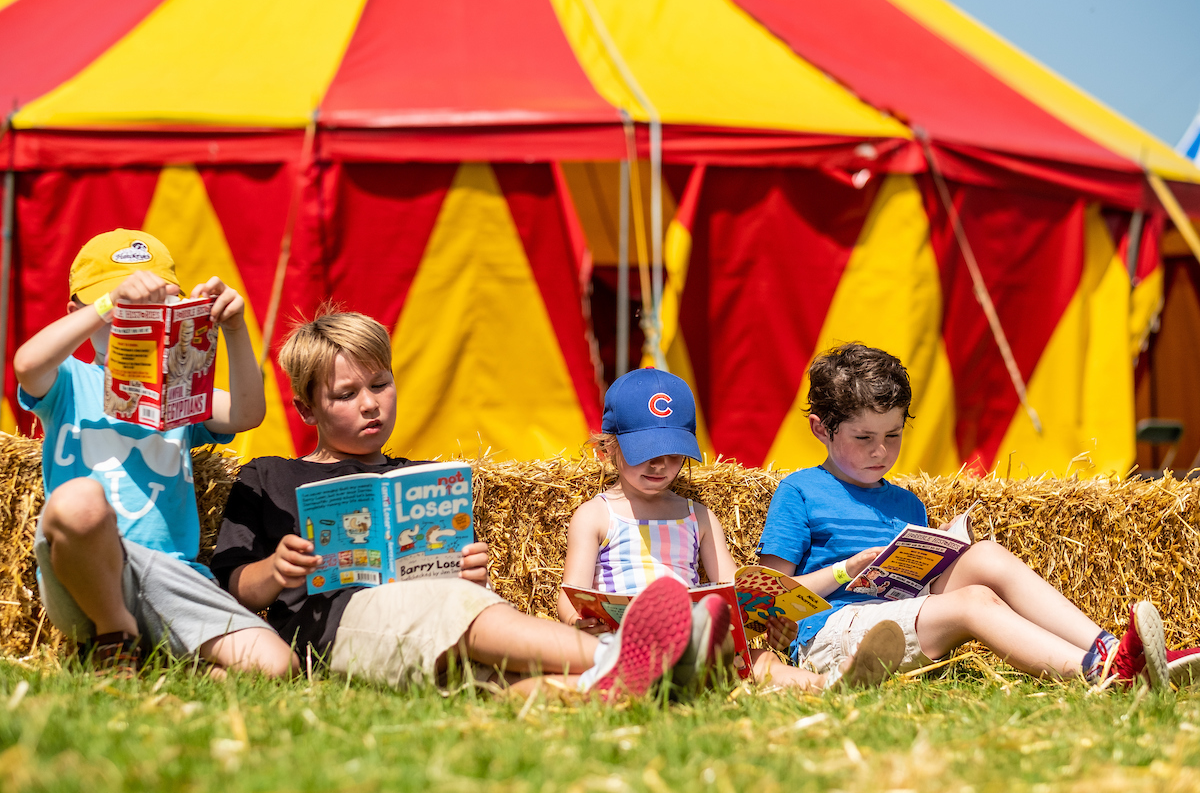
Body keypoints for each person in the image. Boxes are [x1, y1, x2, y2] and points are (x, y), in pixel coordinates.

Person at [210, 307, 708, 698]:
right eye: (346, 394)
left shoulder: (422, 478)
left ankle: (616, 686)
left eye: (381, 385)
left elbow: (460, 585)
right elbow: (233, 589)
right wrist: (278, 569)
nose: (370, 403)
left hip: (431, 629)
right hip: (336, 630)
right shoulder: (270, 475)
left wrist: (473, 570)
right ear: (305, 408)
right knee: (455, 609)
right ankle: (640, 654)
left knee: (495, 680)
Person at [757, 342, 1170, 689]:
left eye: (893, 436)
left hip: (907, 615)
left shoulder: (907, 503)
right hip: (832, 633)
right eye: (863, 438)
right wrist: (847, 570)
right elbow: (771, 597)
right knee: (974, 602)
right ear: (820, 429)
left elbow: (922, 589)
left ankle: (1112, 649)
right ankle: (1099, 674)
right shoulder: (800, 491)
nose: (880, 451)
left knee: (986, 554)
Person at [13, 228, 295, 678]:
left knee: (277, 668)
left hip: (171, 577)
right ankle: (114, 631)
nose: (132, 317)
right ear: (79, 313)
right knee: (77, 500)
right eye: (120, 307)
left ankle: (163, 667)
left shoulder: (178, 391)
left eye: (150, 307)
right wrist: (109, 304)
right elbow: (27, 364)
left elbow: (246, 413)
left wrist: (236, 329)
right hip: (86, 575)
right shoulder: (68, 380)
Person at [558, 367, 905, 691]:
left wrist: (767, 621)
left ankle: (825, 685)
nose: (660, 465)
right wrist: (578, 622)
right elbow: (571, 592)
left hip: (690, 640)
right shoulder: (595, 515)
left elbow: (733, 592)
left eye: (674, 454)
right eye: (645, 452)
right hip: (623, 641)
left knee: (758, 659)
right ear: (608, 447)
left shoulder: (697, 515)